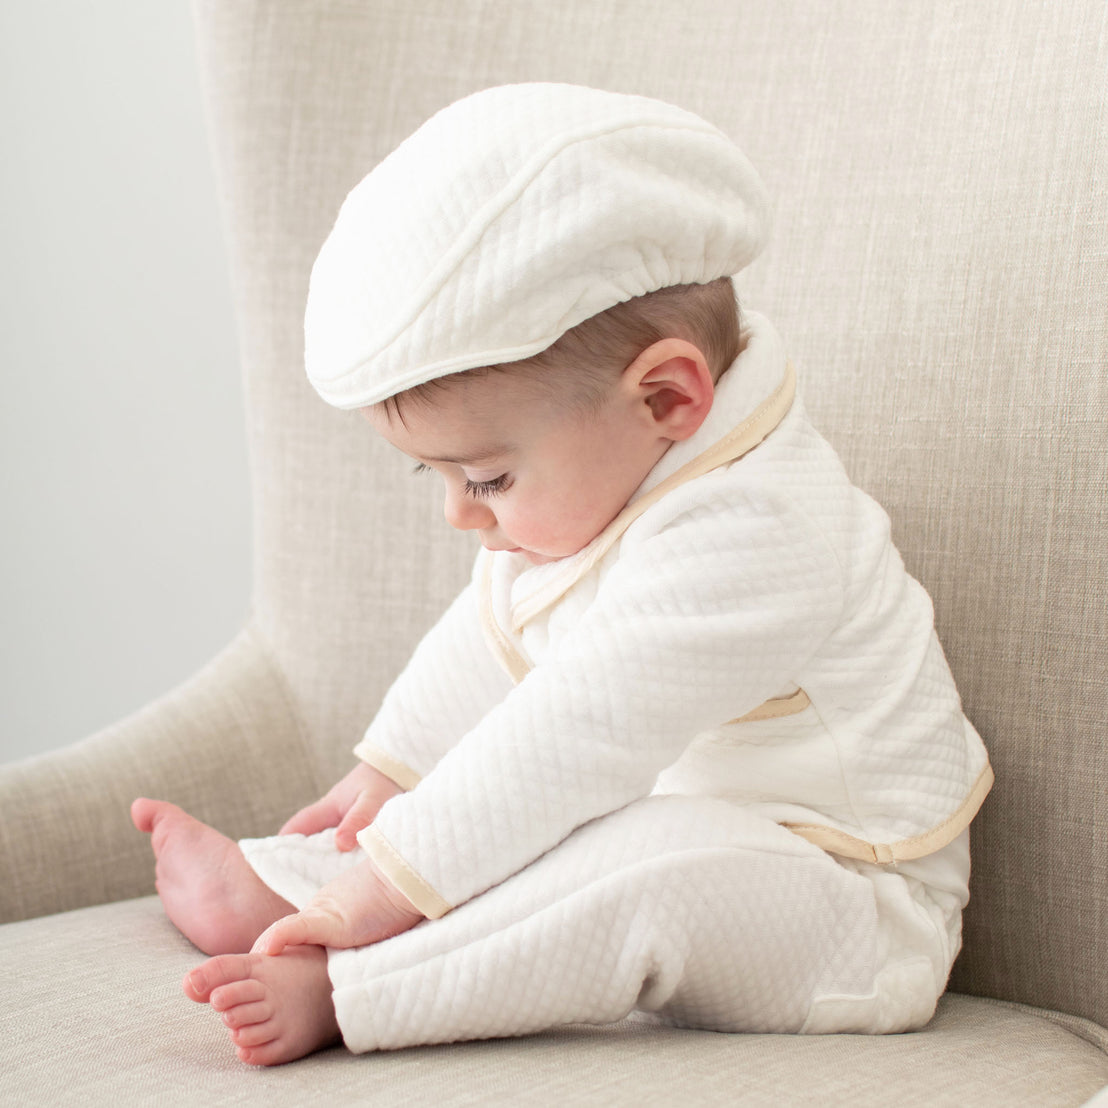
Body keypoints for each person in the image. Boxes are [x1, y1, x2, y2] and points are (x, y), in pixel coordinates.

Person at [132, 83, 993, 1067]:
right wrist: (392, 770)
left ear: (666, 396)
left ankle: (352, 981)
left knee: (629, 853)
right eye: (442, 475)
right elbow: (497, 628)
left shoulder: (763, 531)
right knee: (542, 828)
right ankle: (284, 888)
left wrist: (378, 896)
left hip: (849, 911)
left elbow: (571, 732)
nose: (461, 512)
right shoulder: (622, 472)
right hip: (687, 814)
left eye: (487, 475)